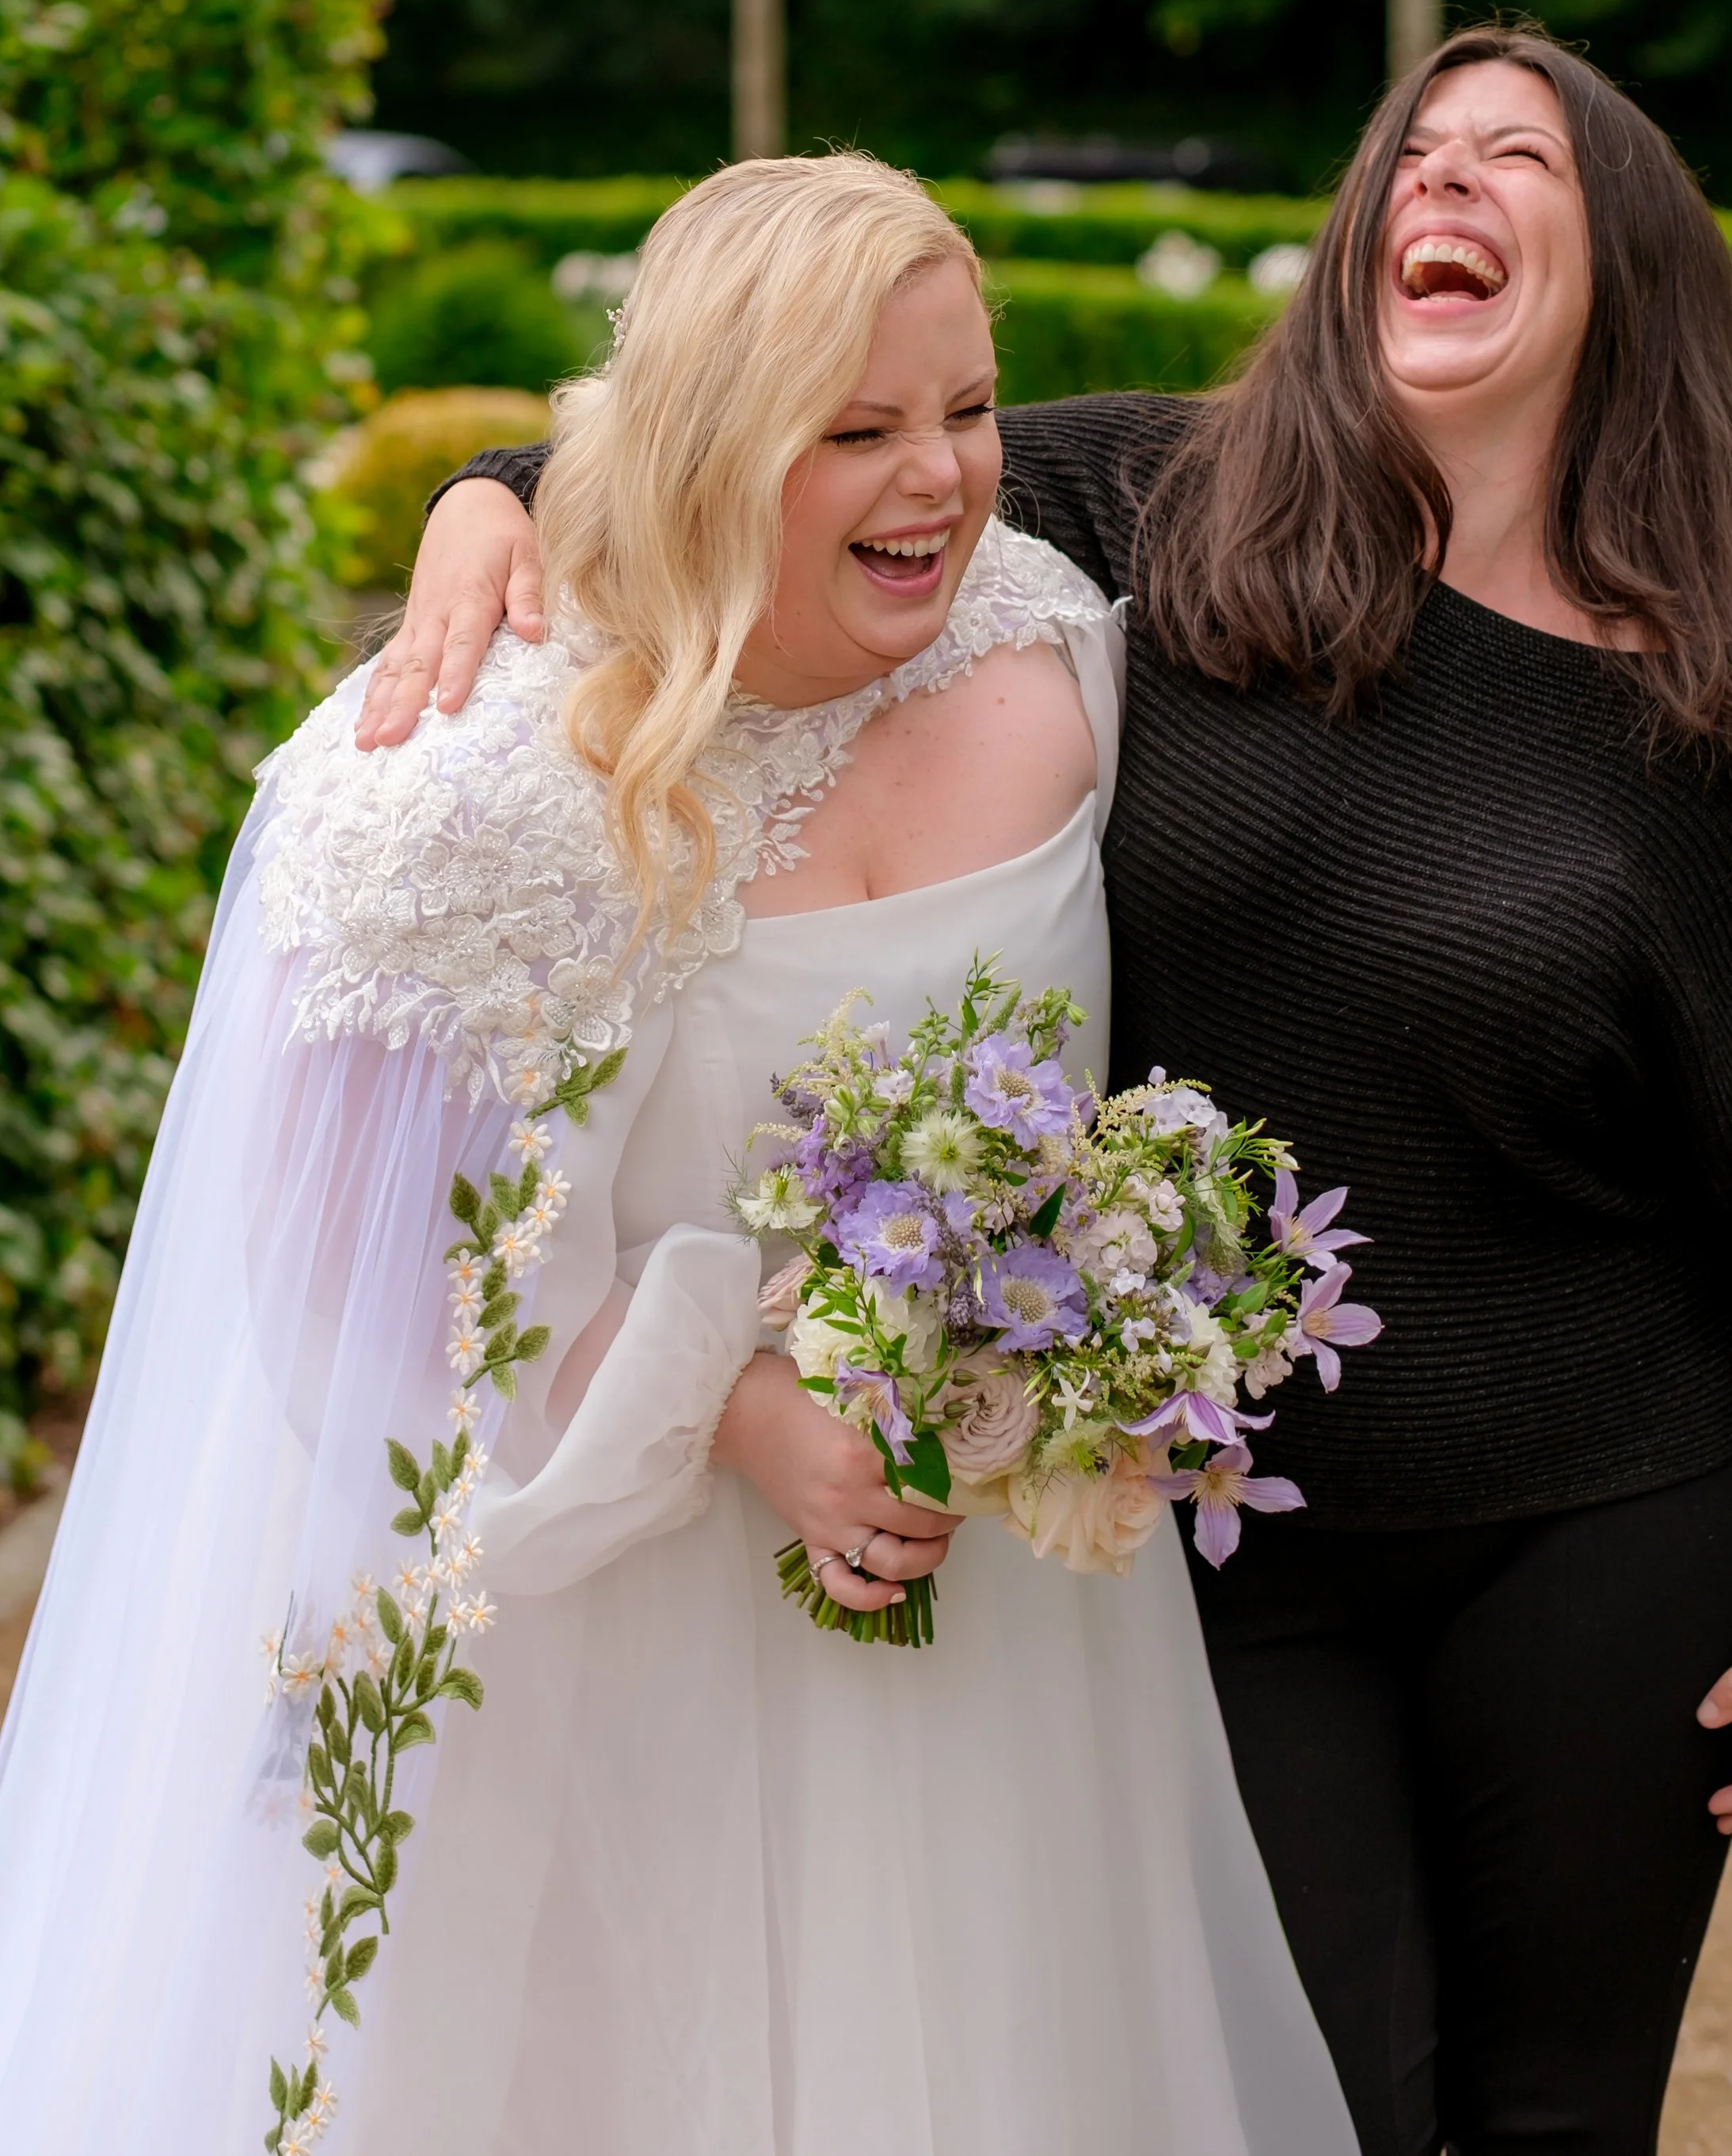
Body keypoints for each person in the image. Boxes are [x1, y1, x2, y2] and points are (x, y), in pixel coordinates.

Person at [393, 28, 1732, 2156]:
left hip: (1605, 1519)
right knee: (1298, 2101)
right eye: (1411, 150)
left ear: (1626, 268)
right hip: (1217, 1534)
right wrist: (485, 500)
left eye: (1516, 157)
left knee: (1558, 2115)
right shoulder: (1157, 501)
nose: (1445, 180)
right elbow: (761, 446)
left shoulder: (1710, 707)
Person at [0, 155, 1352, 2156]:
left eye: (970, 410)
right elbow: (326, 1280)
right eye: (859, 431)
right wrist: (736, 1410)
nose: (943, 480)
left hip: (1002, 1642)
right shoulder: (471, 781)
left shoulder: (1052, 644)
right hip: (607, 1658)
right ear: (714, 438)